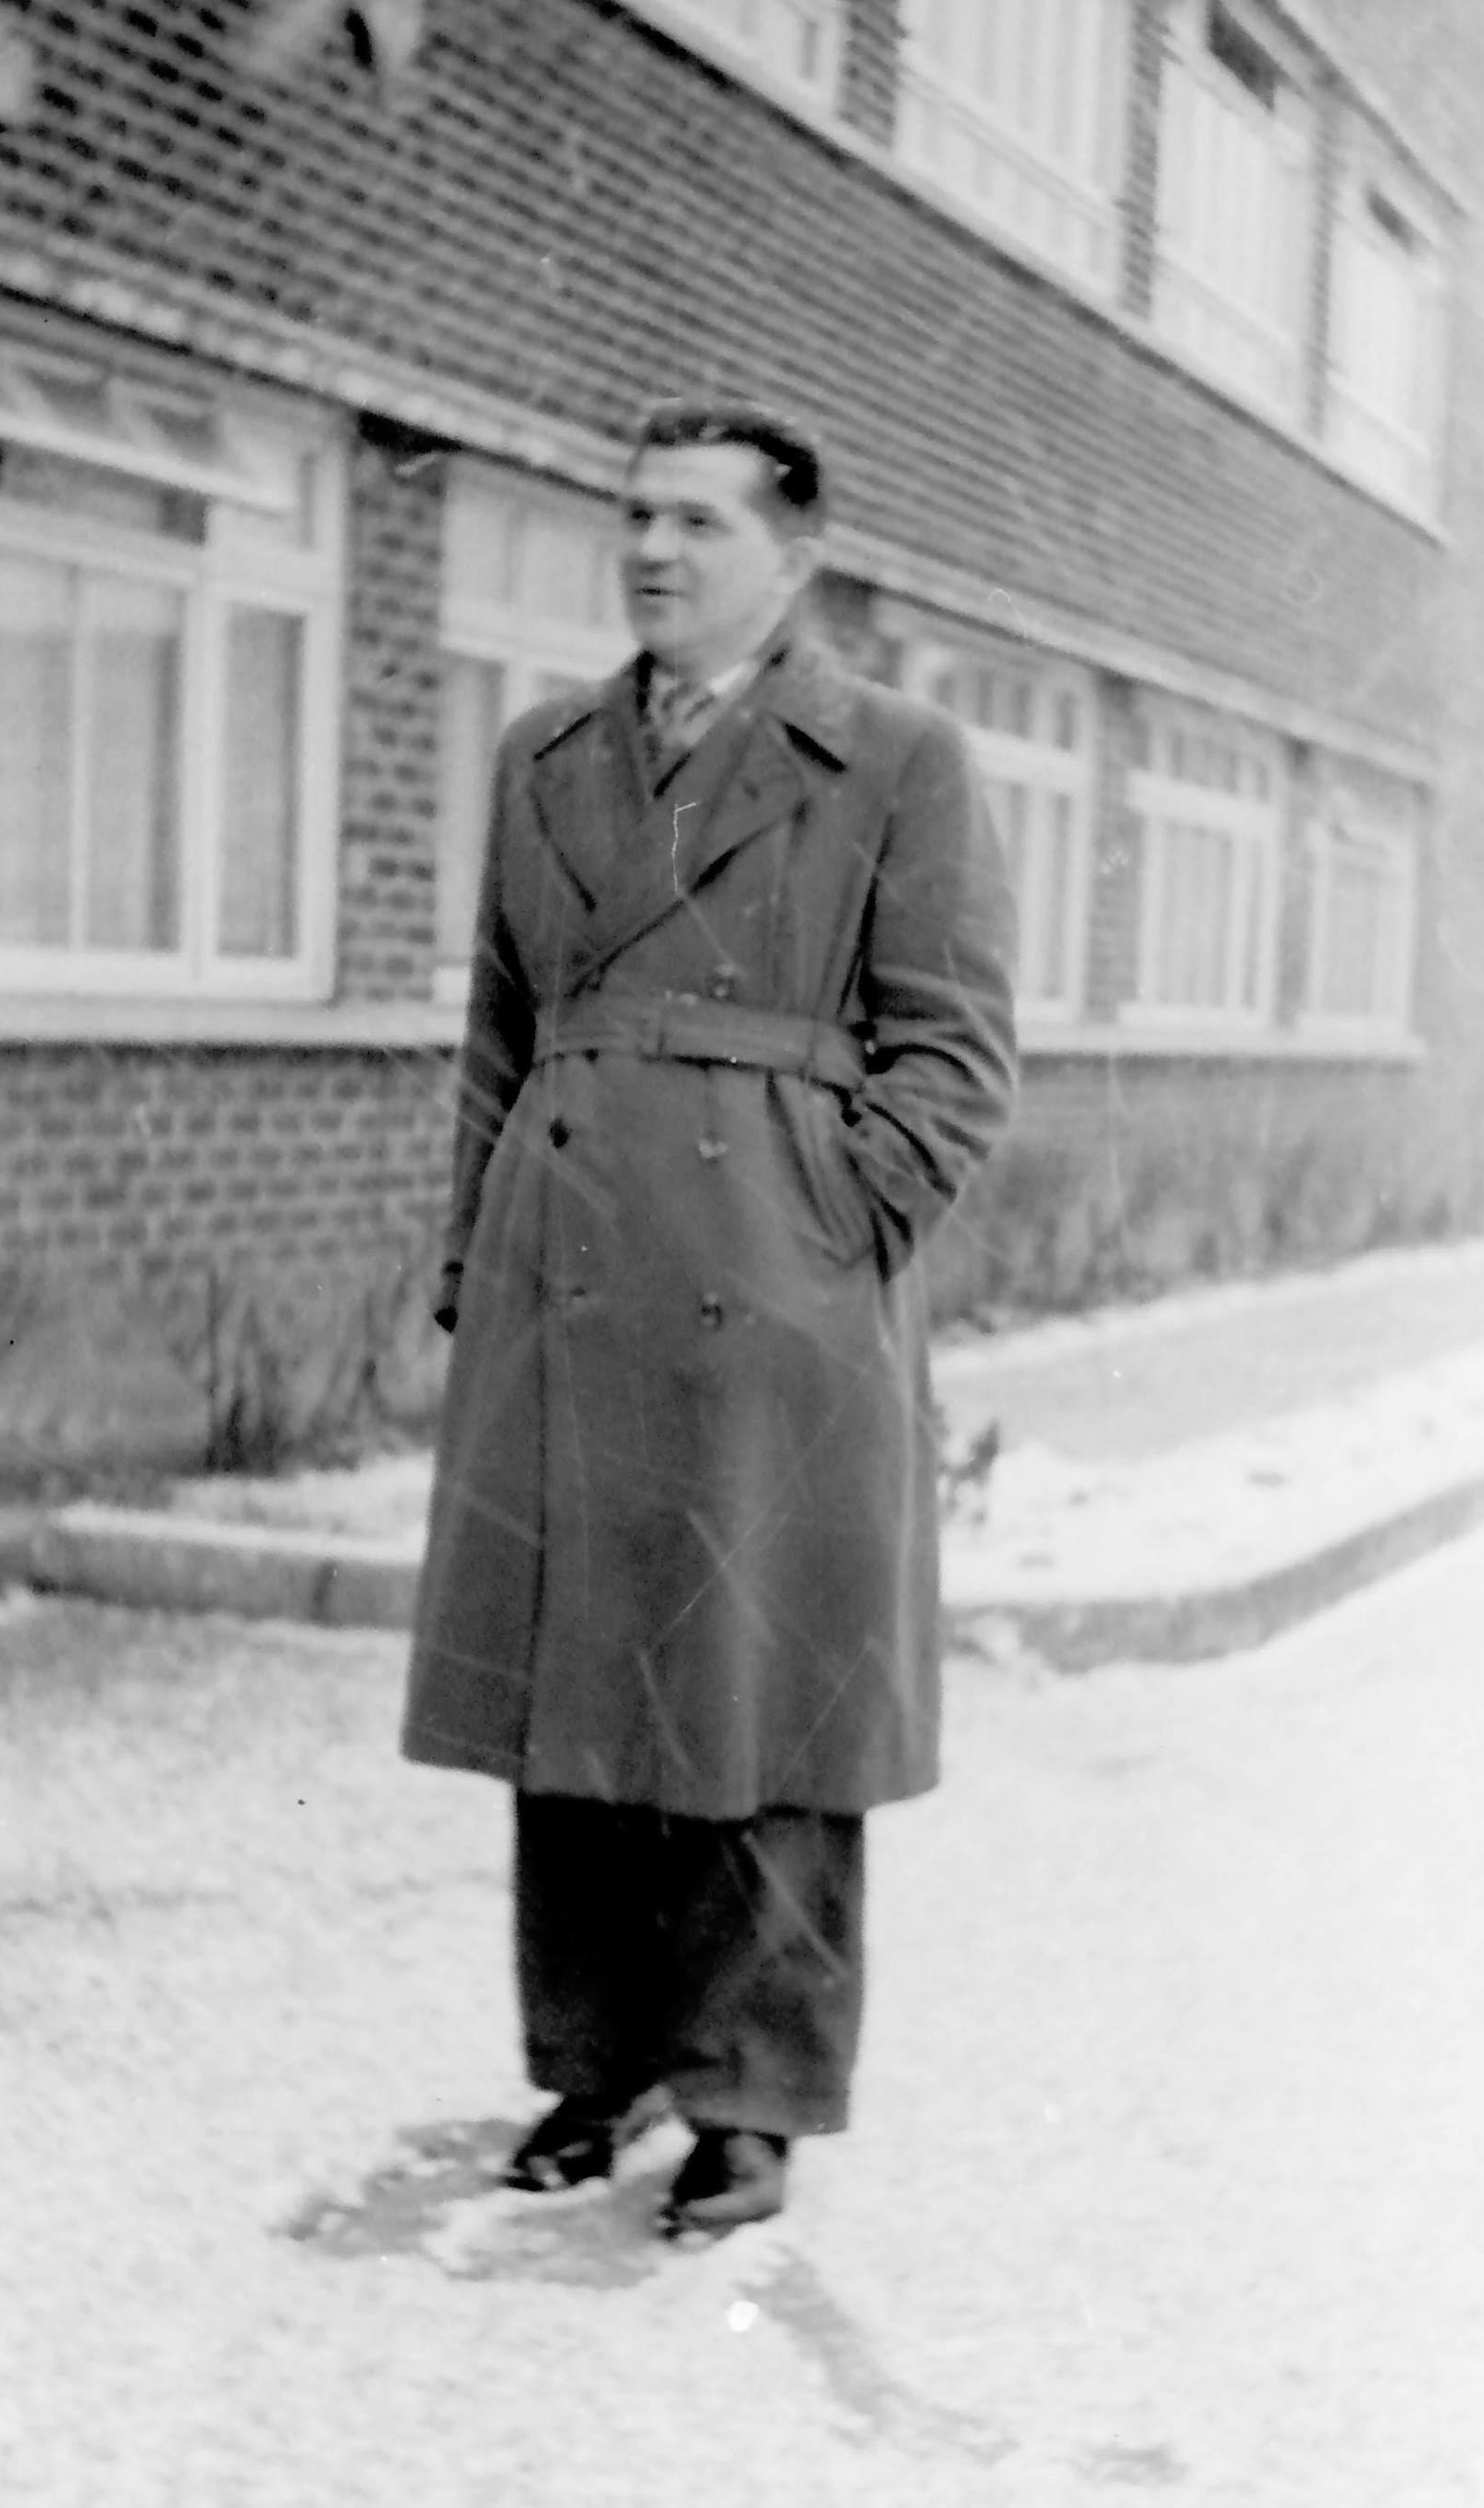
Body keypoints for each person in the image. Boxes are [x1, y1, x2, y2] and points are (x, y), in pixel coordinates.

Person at [402, 398, 1018, 2235]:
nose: (652, 550)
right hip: (570, 1269)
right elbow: (501, 1032)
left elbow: (957, 1053)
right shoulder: (543, 751)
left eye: (697, 522)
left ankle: (752, 2097)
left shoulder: (896, 756)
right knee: (580, 1681)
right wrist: (476, 1254)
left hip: (777, 1287)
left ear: (794, 556)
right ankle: (596, 2060)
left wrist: (830, 1221)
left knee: (766, 1689)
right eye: (636, 517)